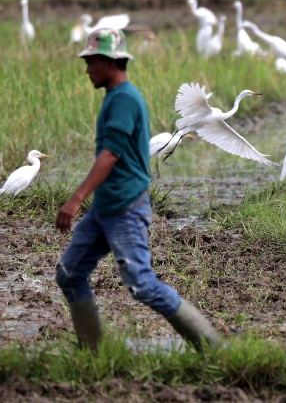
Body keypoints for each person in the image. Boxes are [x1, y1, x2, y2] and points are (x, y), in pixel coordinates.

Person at [55, 28, 221, 352]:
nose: (87, 69)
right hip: (105, 208)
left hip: (125, 209)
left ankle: (215, 349)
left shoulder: (124, 100)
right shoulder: (114, 97)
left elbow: (110, 155)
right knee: (69, 273)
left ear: (110, 63)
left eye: (91, 62)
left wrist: (75, 198)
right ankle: (92, 354)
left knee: (142, 285)